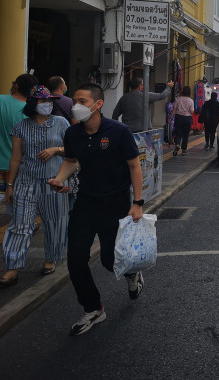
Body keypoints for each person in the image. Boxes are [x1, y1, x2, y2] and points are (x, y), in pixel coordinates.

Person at [48, 83, 144, 336]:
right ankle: (93, 309)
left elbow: (134, 165)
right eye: (74, 101)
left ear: (98, 104)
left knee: (110, 260)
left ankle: (131, 273)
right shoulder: (72, 134)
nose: (76, 106)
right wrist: (59, 179)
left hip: (115, 204)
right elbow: (71, 161)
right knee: (75, 259)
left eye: (82, 101)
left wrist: (138, 203)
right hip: (85, 202)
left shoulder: (119, 131)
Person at [1, 86, 71, 287]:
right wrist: (10, 185)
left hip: (55, 182)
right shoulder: (20, 127)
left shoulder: (61, 123)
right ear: (33, 104)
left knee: (55, 222)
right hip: (26, 182)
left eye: (49, 100)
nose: (47, 104)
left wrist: (55, 149)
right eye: (42, 101)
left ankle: (51, 259)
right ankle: (13, 267)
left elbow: (72, 150)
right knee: (20, 224)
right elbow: (16, 158)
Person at [0, 74, 38, 201]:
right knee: (14, 206)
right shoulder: (32, 112)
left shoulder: (1, 100)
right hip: (19, 169)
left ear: (16, 86)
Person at [172, 86, 194, 156]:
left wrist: (171, 117)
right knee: (186, 134)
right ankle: (184, 149)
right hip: (187, 119)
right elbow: (192, 111)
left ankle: (177, 144)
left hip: (178, 117)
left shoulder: (178, 99)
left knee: (178, 133)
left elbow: (174, 109)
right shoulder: (191, 101)